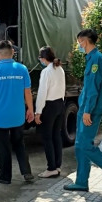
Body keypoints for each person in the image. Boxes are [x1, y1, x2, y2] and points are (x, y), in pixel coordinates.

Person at [64, 29, 102, 192]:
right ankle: (81, 182)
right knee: (79, 146)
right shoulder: (91, 58)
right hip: (84, 108)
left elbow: (92, 89)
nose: (79, 46)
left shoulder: (96, 59)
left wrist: (87, 111)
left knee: (84, 146)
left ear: (85, 41)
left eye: (79, 43)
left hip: (89, 110)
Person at [0, 40, 34, 185]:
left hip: (0, 117)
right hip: (18, 116)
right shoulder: (22, 69)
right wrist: (30, 109)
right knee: (19, 143)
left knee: (3, 148)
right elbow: (27, 92)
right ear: (13, 53)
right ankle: (26, 172)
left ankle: (5, 176)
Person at [35, 46, 66, 178]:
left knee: (47, 137)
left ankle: (51, 167)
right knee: (56, 136)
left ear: (43, 58)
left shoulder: (46, 71)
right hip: (60, 103)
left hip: (50, 105)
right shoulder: (59, 68)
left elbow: (42, 93)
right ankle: (57, 166)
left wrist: (38, 112)